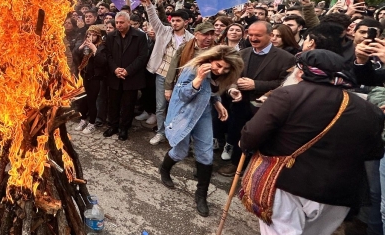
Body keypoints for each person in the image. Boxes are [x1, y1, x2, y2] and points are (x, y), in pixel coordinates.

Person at [241, 50, 384, 235]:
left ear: (302, 71)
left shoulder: (287, 94)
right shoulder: (370, 110)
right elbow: (374, 153)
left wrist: (245, 144)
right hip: (338, 194)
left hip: (288, 184)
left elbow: (252, 134)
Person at [159, 45, 243, 217]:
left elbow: (211, 91)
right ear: (211, 59)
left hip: (203, 114)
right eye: (219, 66)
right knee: (180, 151)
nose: (221, 70)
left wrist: (218, 102)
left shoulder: (220, 75)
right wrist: (198, 79)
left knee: (206, 154)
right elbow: (182, 94)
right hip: (185, 114)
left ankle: (201, 195)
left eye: (226, 69)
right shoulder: (193, 69)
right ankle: (164, 169)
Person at [219, 21, 295, 177]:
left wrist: (256, 85)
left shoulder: (285, 58)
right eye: (251, 35)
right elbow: (232, 76)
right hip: (240, 104)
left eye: (258, 35)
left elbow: (285, 83)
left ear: (270, 35)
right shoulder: (243, 53)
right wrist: (233, 88)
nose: (253, 38)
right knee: (240, 134)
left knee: (258, 138)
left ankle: (255, 170)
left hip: (264, 107)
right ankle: (236, 165)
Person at [140, 0, 193, 143]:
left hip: (180, 78)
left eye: (178, 21)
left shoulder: (191, 39)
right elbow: (154, 19)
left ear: (186, 22)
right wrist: (149, 4)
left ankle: (175, 134)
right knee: (160, 106)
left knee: (177, 107)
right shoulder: (164, 31)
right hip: (162, 75)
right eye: (173, 20)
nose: (174, 23)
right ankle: (160, 132)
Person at [103, 11, 149, 141]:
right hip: (115, 76)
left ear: (129, 22)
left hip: (132, 76)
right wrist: (115, 69)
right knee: (113, 103)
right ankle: (113, 125)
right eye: (117, 22)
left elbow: (142, 56)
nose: (118, 25)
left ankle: (124, 128)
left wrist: (128, 70)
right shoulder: (111, 36)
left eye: (121, 22)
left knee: (128, 105)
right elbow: (108, 55)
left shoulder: (140, 36)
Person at [72, 25, 107, 135]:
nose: (91, 37)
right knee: (83, 100)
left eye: (93, 35)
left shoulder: (101, 46)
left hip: (95, 78)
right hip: (84, 77)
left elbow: (102, 62)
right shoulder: (85, 45)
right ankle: (83, 120)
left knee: (92, 101)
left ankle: (92, 122)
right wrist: (81, 47)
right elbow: (75, 55)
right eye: (89, 34)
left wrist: (94, 49)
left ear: (98, 36)